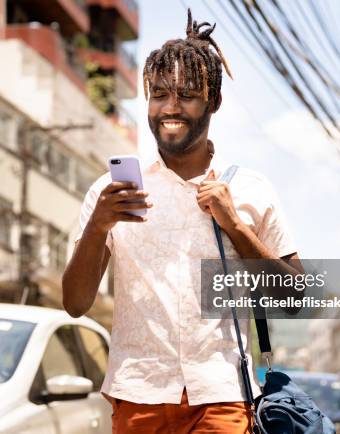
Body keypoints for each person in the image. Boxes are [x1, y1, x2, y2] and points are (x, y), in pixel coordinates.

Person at [62, 9, 303, 433]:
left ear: (214, 102)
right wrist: (98, 226)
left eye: (186, 95)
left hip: (223, 397)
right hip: (139, 396)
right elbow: (75, 303)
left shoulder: (249, 188)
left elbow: (295, 299)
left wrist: (236, 226)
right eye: (158, 94)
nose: (169, 108)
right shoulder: (111, 194)